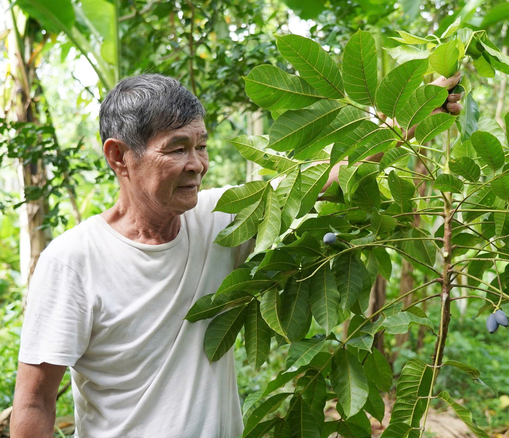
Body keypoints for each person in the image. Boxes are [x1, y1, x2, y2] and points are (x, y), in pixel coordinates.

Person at [10, 72, 462, 438]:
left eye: (201, 145)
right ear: (118, 157)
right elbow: (33, 402)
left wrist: (413, 114)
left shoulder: (221, 218)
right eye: (177, 149)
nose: (198, 164)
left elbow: (334, 177)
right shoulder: (72, 261)